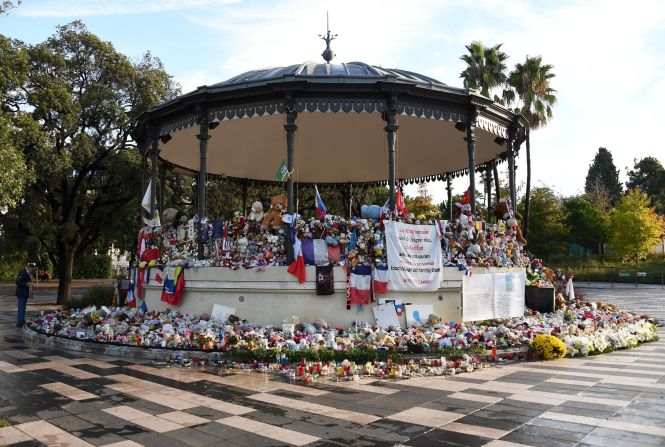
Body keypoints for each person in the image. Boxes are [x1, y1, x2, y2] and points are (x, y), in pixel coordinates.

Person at [15, 263, 36, 327]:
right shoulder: (23, 272)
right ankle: (19, 323)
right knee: (21, 308)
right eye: (32, 270)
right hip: (21, 293)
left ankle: (22, 320)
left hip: (24, 293)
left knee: (23, 308)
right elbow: (17, 281)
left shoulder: (28, 273)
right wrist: (26, 284)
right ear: (29, 268)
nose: (33, 271)